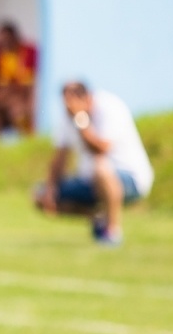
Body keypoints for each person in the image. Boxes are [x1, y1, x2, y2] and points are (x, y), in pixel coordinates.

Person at [35, 81, 153, 247]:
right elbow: (60, 157)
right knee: (39, 194)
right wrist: (50, 188)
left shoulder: (110, 107)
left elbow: (101, 149)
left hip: (129, 178)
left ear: (86, 98)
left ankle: (112, 231)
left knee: (101, 168)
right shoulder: (68, 115)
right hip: (91, 180)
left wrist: (81, 120)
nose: (68, 109)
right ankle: (100, 218)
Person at [0, 20, 36, 135]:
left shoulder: (28, 52)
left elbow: (27, 86)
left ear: (15, 37)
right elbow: (3, 85)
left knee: (17, 108)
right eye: (1, 42)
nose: (4, 45)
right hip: (10, 95)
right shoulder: (2, 56)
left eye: (7, 41)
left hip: (27, 94)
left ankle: (28, 137)